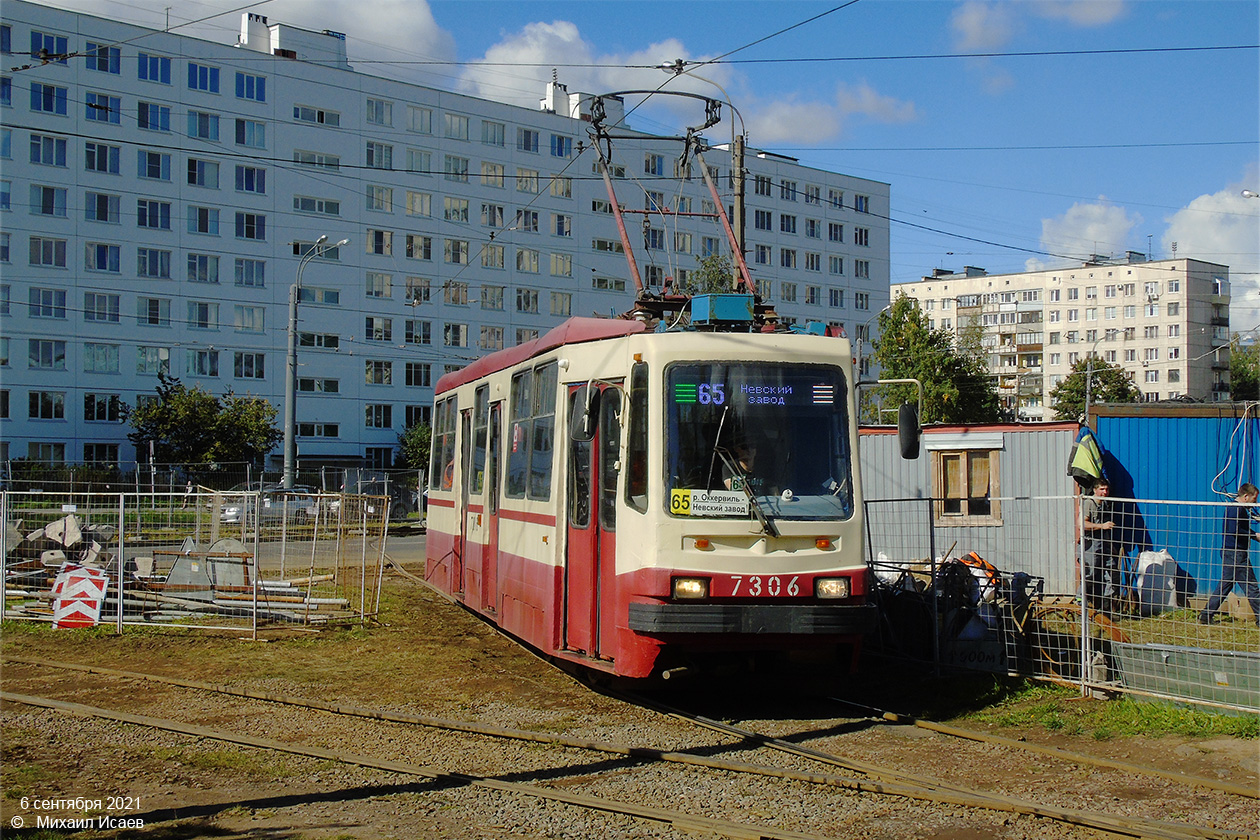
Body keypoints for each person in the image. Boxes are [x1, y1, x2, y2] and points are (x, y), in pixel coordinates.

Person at [1199, 483, 1260, 626]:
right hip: (1236, 554)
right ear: (1246, 497)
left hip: (1230, 552)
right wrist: (1254, 535)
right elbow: (1235, 530)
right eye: (1254, 499)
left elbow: (1237, 528)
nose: (1255, 502)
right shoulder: (1237, 509)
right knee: (1251, 586)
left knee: (1225, 585)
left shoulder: (1234, 508)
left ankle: (1206, 615)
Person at [1079, 479, 1121, 614]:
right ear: (1095, 490)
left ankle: (1106, 609)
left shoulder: (1105, 504)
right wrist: (1102, 526)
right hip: (1091, 544)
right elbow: (1082, 524)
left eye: (1107, 489)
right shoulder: (1088, 503)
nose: (1105, 492)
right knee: (1089, 575)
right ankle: (1080, 606)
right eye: (1102, 489)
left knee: (1113, 574)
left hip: (1104, 543)